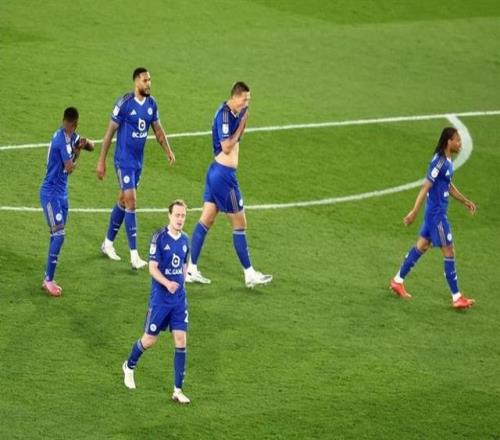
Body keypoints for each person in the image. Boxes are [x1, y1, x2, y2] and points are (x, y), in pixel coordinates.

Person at [186, 82, 272, 288]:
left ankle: (190, 269)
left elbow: (238, 138)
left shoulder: (235, 113)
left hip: (217, 173)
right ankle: (249, 274)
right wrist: (241, 124)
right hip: (224, 177)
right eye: (245, 99)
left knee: (206, 220)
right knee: (240, 224)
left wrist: (242, 121)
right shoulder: (224, 115)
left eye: (249, 100)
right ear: (235, 96)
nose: (247, 103)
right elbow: (226, 147)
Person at [96, 67, 176, 269]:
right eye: (145, 80)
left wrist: (168, 150)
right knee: (131, 202)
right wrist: (101, 161)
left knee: (123, 201)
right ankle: (134, 256)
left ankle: (107, 243)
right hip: (123, 160)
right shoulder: (124, 103)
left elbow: (158, 130)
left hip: (137, 162)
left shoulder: (151, 104)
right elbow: (109, 134)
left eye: (150, 80)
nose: (148, 84)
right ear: (136, 82)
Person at [390, 127, 477, 309]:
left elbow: (448, 185)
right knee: (449, 251)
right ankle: (456, 297)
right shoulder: (439, 162)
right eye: (457, 140)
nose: (460, 143)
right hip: (437, 215)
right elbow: (425, 186)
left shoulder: (447, 161)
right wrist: (414, 211)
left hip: (434, 213)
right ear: (448, 142)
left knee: (422, 246)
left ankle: (397, 281)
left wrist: (465, 201)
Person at [122, 200, 191, 404]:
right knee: (150, 340)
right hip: (161, 299)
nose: (180, 219)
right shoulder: (159, 238)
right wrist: (168, 283)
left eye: (183, 215)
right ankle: (129, 366)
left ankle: (177, 390)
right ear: (169, 216)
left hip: (179, 300)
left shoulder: (185, 239)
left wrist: (181, 282)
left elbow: (185, 263)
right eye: (177, 215)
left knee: (181, 340)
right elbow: (152, 268)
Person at [39, 107, 94, 296]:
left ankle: (47, 277)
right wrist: (78, 151)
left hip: (62, 195)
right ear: (73, 122)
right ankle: (48, 280)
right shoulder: (60, 140)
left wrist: (85, 143)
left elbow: (92, 146)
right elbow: (70, 167)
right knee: (59, 235)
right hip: (50, 195)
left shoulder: (72, 136)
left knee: (56, 235)